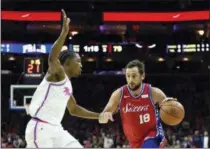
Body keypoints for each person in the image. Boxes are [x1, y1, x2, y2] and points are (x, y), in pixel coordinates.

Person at [25, 10, 99, 148]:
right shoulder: (56, 74)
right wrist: (64, 33)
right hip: (40, 128)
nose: (81, 65)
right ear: (67, 63)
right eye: (78, 61)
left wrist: (99, 116)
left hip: (56, 129)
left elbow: (74, 109)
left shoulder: (67, 84)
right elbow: (52, 58)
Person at [98, 60, 177, 148]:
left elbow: (169, 107)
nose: (130, 80)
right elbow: (101, 118)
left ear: (142, 75)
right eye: (128, 76)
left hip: (153, 135)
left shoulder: (154, 93)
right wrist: (104, 116)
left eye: (134, 76)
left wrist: (171, 105)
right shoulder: (119, 94)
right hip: (134, 141)